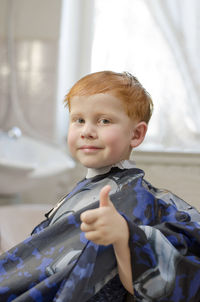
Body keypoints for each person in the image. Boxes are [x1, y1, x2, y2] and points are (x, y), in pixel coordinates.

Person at [0, 71, 200, 302]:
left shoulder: (133, 200)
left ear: (136, 134)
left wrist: (125, 236)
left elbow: (140, 286)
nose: (87, 131)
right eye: (79, 120)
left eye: (104, 120)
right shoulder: (88, 188)